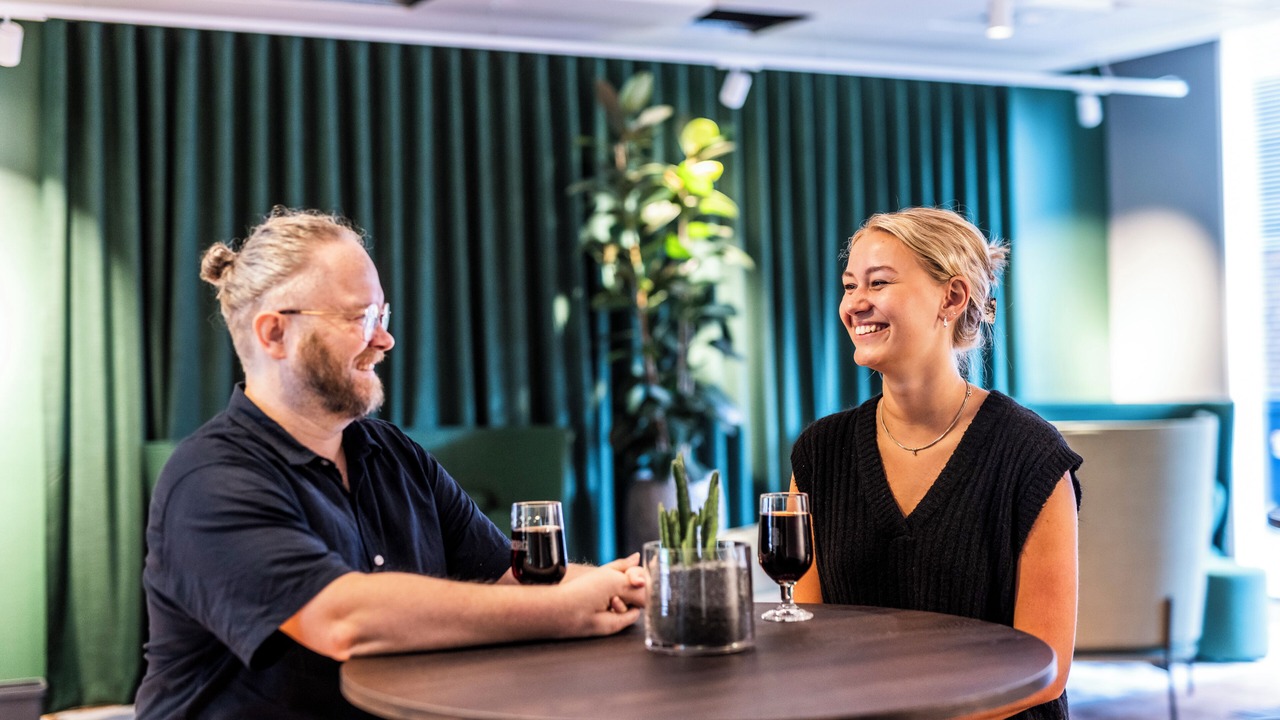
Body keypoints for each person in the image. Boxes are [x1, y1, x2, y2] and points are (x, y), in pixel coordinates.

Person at [134, 208, 648, 719]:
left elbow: (508, 579)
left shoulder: (393, 454)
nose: (384, 340)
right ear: (274, 334)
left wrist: (615, 585)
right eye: (360, 318)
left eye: (383, 316)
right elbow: (343, 619)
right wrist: (566, 611)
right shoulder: (209, 481)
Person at [789, 207, 1081, 720]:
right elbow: (811, 637)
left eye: (878, 283)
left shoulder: (1031, 454)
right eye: (849, 284)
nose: (855, 304)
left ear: (952, 297)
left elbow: (1047, 665)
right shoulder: (820, 453)